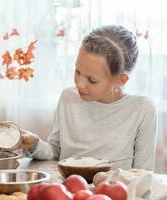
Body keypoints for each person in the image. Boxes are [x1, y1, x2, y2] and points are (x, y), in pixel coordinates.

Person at [20, 25, 157, 171]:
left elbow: (143, 174)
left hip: (114, 192)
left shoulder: (142, 109)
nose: (79, 84)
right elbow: (56, 152)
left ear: (121, 80)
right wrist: (35, 145)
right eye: (77, 71)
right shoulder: (68, 97)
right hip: (68, 190)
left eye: (92, 80)